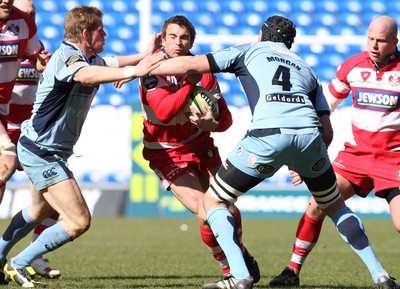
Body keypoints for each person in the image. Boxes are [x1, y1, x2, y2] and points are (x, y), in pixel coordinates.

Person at [149, 15, 400, 289]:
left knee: (213, 203)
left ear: (261, 34)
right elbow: (326, 132)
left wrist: (141, 69)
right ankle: (380, 275)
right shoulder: (306, 68)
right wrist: (304, 161)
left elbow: (188, 63)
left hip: (267, 137)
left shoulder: (249, 49)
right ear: (290, 42)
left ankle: (239, 275)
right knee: (334, 205)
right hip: (309, 139)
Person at [0, 5, 163, 288]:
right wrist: (135, 70)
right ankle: (21, 262)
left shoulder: (90, 59)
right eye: (101, 30)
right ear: (86, 33)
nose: (106, 33)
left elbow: (111, 62)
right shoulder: (68, 57)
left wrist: (146, 55)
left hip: (42, 148)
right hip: (42, 151)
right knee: (78, 221)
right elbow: (85, 76)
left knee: (38, 212)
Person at [269, 15, 400, 289]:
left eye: (381, 41)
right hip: (357, 157)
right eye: (371, 39)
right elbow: (323, 109)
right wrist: (305, 156)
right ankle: (292, 271)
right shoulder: (352, 66)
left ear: (394, 42)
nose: (374, 45)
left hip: (394, 159)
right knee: (317, 205)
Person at [137, 15, 260, 282]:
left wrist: (211, 124)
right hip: (165, 151)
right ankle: (230, 269)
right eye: (172, 37)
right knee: (207, 215)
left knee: (228, 209)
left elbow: (226, 119)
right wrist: (191, 83)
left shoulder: (203, 70)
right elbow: (164, 111)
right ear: (163, 38)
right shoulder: (151, 69)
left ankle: (239, 253)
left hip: (201, 145)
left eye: (184, 37)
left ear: (192, 41)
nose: (178, 43)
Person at [6, 0, 60, 279]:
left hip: (32, 132)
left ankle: (36, 255)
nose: (25, 17)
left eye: (32, 14)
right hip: (5, 126)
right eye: (23, 12)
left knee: (53, 197)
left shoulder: (43, 54)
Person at [0, 0, 49, 206]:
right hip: (7, 123)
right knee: (7, 160)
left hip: (11, 116)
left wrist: (42, 62)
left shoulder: (24, 24)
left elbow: (36, 57)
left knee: (48, 177)